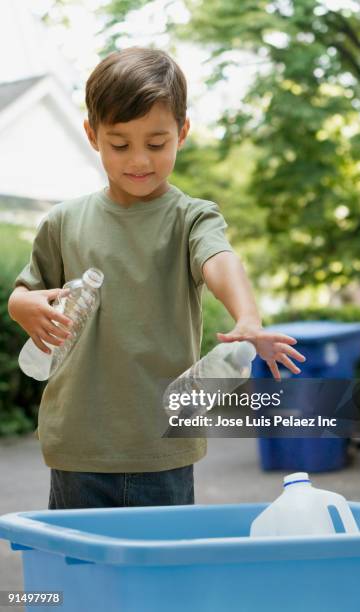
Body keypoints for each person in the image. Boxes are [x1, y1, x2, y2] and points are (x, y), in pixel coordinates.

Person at [8, 47, 305, 510]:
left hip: (161, 447)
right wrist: (20, 306)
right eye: (120, 144)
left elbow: (219, 259)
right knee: (78, 578)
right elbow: (27, 292)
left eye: (156, 142)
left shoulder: (191, 218)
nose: (139, 160)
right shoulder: (63, 222)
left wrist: (247, 316)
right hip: (77, 444)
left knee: (158, 579)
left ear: (182, 133)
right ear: (92, 135)